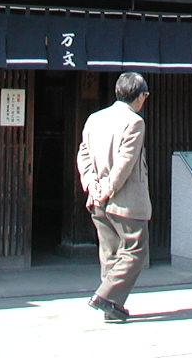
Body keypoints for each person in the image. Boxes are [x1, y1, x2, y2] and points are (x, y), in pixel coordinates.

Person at [77, 72, 152, 323]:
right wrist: (108, 188)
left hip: (97, 198)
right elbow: (125, 162)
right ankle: (105, 296)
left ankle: (112, 308)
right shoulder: (134, 121)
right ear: (139, 96)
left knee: (109, 253)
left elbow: (83, 154)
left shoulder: (95, 118)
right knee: (135, 250)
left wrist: (92, 185)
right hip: (125, 199)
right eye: (145, 95)